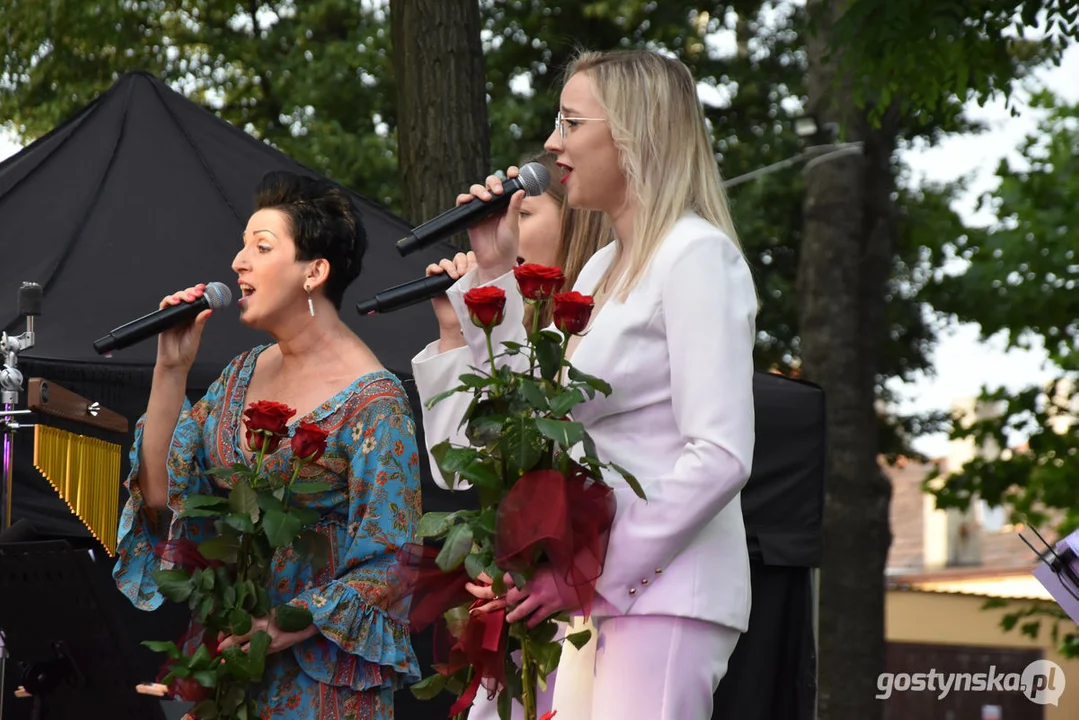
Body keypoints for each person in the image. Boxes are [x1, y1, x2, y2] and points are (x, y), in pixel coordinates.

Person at [421, 48, 759, 719]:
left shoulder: (696, 255)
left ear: (635, 135)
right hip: (581, 587)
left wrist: (587, 569)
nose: (551, 143)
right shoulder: (602, 266)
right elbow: (530, 418)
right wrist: (491, 268)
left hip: (662, 593)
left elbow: (719, 455)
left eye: (570, 123)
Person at [112, 171, 422, 719]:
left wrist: (283, 625)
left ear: (315, 272)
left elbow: (392, 562)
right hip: (231, 662)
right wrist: (170, 369)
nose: (238, 261)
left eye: (261, 246)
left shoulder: (375, 401)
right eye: (243, 245)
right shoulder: (239, 375)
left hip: (321, 678)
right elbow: (161, 500)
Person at [410, 151, 610, 719]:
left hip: (585, 606)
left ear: (579, 223)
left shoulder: (591, 336)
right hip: (522, 602)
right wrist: (453, 332)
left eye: (525, 212)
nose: (504, 229)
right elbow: (456, 466)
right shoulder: (506, 340)